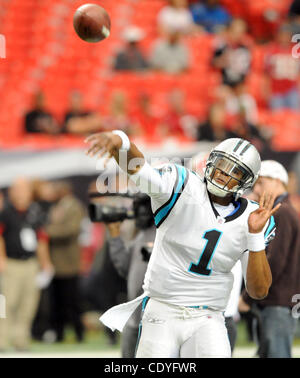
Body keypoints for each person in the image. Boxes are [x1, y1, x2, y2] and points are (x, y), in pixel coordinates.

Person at [85, 131, 280, 358]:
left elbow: (258, 291)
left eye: (234, 170)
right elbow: (140, 169)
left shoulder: (252, 217)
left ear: (246, 180)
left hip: (209, 317)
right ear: (211, 162)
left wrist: (255, 237)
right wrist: (122, 142)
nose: (223, 173)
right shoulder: (180, 186)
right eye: (222, 164)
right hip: (162, 310)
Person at [239, 160, 300, 358]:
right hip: (279, 301)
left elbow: (274, 262)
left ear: (277, 181)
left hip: (276, 302)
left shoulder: (281, 212)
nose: (256, 190)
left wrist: (248, 297)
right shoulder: (287, 210)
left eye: (261, 183)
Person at [0, 177, 52, 351]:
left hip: (30, 263)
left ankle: (21, 340)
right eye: (19, 190)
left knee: (28, 304)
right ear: (12, 192)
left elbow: (41, 238)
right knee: (6, 303)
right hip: (12, 263)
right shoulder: (5, 212)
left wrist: (45, 263)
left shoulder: (35, 211)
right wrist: (1, 259)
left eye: (25, 189)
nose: (22, 193)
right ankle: (2, 340)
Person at [106, 194, 155, 357]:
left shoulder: (164, 234)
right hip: (134, 316)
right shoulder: (142, 235)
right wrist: (115, 237)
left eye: (142, 209)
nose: (138, 214)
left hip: (154, 318)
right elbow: (125, 268)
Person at [46, 181, 85, 342]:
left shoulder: (75, 206)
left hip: (69, 262)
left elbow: (72, 230)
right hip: (55, 261)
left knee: (72, 301)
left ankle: (79, 332)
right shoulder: (55, 207)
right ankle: (59, 333)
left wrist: (47, 232)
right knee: (57, 301)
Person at [264, 24, 300, 110]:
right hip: (276, 91)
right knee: (276, 117)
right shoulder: (271, 50)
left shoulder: (296, 51)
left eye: (286, 35)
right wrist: (266, 91)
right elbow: (266, 73)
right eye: (282, 34)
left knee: (294, 116)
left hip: (292, 90)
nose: (284, 37)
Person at [212, 18, 252, 88]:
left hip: (239, 86)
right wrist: (223, 60)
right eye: (236, 31)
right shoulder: (221, 45)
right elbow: (213, 62)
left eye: (241, 32)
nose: (238, 35)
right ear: (229, 30)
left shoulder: (244, 48)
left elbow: (245, 71)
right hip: (223, 84)